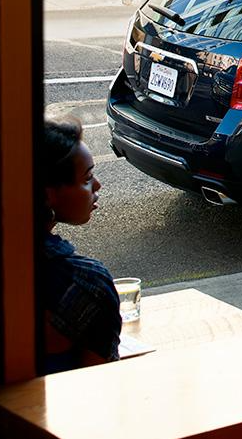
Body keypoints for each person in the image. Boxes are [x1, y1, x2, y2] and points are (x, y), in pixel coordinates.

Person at [39, 117, 121, 375]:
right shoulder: (85, 283)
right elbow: (99, 388)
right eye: (87, 178)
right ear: (47, 193)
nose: (97, 185)